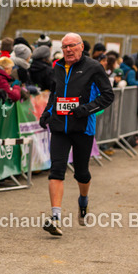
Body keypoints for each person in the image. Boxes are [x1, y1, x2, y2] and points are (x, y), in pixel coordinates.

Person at [37, 32, 114, 236]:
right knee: (56, 170)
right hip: (60, 127)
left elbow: (108, 95)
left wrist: (86, 109)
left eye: (72, 46)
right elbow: (55, 94)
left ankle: (83, 201)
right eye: (65, 47)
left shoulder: (94, 67)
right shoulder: (58, 67)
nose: (68, 50)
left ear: (81, 47)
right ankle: (55, 218)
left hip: (82, 128)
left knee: (81, 173)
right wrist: (47, 113)